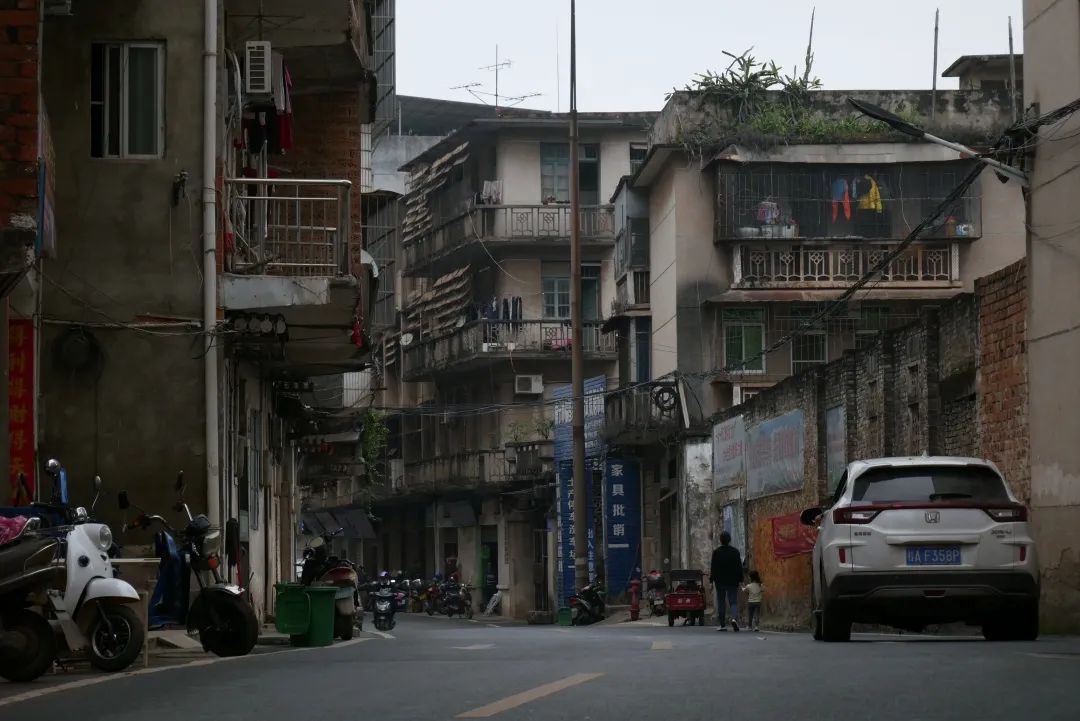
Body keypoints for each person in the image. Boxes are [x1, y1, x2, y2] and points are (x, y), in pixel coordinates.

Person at [710, 531, 744, 632]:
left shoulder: (716, 552)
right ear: (730, 540)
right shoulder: (735, 552)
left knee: (721, 602)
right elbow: (739, 567)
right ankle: (734, 618)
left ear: (720, 540)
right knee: (733, 601)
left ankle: (722, 625)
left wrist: (711, 581)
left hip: (720, 581)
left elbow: (713, 567)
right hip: (732, 580)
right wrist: (741, 579)